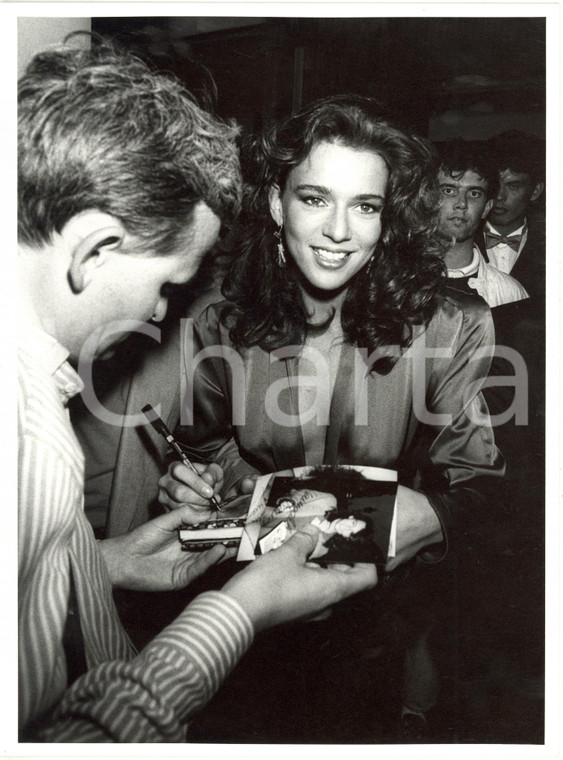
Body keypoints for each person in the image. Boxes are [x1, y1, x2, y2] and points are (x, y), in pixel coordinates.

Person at [17, 40, 378, 742]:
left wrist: (101, 563)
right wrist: (238, 612)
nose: (161, 315)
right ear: (93, 249)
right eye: (166, 286)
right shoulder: (28, 435)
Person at [158, 96, 505, 738]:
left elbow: (482, 490)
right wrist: (201, 484)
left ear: (387, 218)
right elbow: (203, 446)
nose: (339, 231)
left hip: (379, 625)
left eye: (365, 206)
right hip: (246, 622)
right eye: (315, 198)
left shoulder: (455, 324)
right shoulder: (220, 321)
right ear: (274, 204)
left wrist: (383, 527)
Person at [436, 140, 529, 309]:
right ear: (428, 199)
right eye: (449, 190)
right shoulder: (396, 282)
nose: (461, 204)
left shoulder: (509, 294)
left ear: (486, 207)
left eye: (474, 193)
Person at [478, 132, 545, 302]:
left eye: (513, 186)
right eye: (495, 185)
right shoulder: (458, 240)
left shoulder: (551, 248)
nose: (499, 196)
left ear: (535, 191)